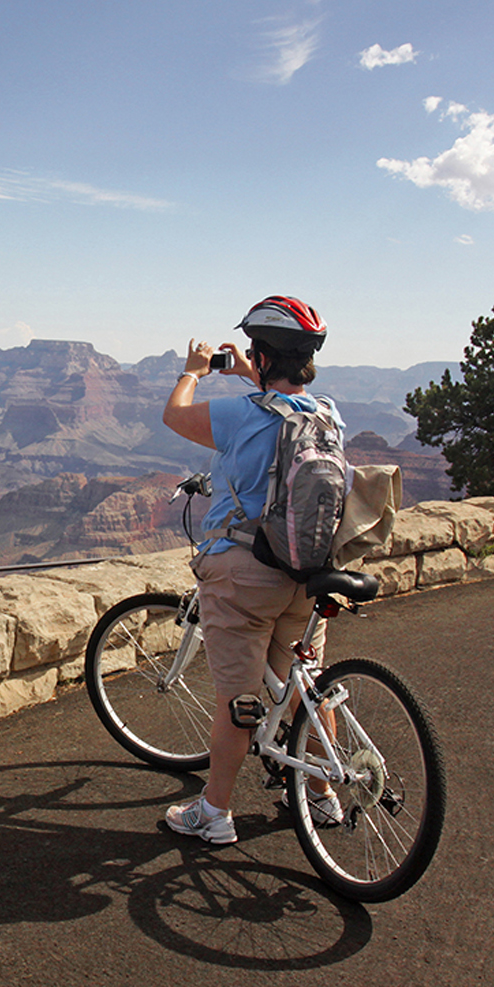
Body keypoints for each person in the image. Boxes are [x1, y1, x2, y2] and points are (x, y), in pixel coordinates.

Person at [159, 295, 346, 845]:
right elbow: (278, 407)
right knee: (301, 685)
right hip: (305, 572)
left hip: (243, 572)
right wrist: (253, 370)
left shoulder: (244, 413)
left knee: (236, 700)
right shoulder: (329, 412)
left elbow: (175, 415)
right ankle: (323, 794)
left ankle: (213, 813)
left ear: (262, 356)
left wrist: (193, 372)